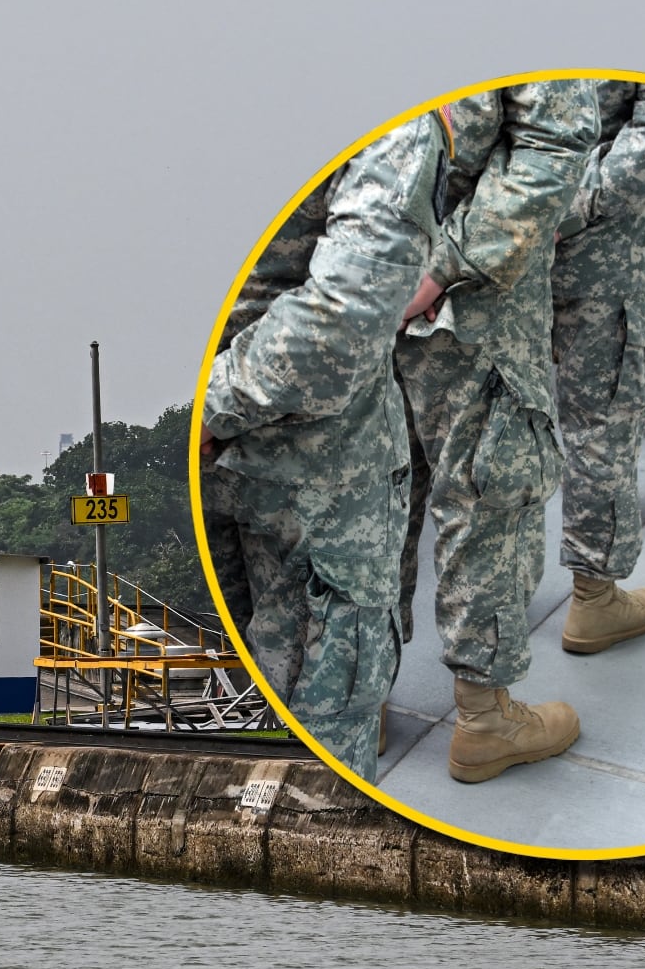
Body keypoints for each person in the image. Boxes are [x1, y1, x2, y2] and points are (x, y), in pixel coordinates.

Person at [199, 111, 448, 777]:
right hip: (320, 481)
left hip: (243, 464)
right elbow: (342, 323)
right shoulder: (397, 130)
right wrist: (213, 405)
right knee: (325, 736)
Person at [393, 80, 600, 783]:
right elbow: (552, 142)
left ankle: (359, 695)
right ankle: (485, 719)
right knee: (487, 494)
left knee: (376, 494)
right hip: (464, 301)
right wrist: (447, 267)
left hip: (354, 290)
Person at [548, 82, 645, 656]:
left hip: (494, 247)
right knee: (602, 426)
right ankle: (595, 598)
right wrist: (579, 203)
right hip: (601, 255)